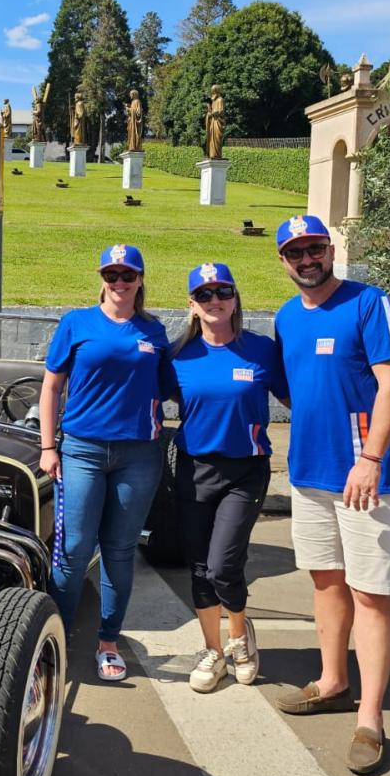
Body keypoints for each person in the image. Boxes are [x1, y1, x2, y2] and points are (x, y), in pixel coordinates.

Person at [273, 215, 390, 775]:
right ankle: (332, 681)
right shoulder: (286, 317)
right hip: (309, 474)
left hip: (365, 477)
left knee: (372, 594)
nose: (307, 259)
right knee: (326, 580)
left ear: (330, 250)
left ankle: (371, 718)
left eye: (314, 248)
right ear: (283, 262)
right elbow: (292, 389)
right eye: (295, 252)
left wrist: (371, 458)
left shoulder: (369, 302)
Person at [39, 245, 169, 680]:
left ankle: (108, 641)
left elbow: (175, 386)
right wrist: (48, 446)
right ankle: (51, 638)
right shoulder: (76, 323)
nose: (119, 282)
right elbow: (52, 387)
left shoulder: (155, 331)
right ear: (102, 278)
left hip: (139, 454)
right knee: (74, 549)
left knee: (119, 551)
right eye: (111, 274)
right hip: (82, 450)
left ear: (139, 279)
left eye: (127, 274)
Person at [168, 263, 288, 692]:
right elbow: (133, 394)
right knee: (199, 567)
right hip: (195, 469)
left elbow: (299, 397)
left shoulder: (260, 350)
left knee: (223, 565)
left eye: (222, 292)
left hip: (245, 471)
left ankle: (240, 636)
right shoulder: (177, 354)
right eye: (204, 295)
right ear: (192, 306)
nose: (214, 300)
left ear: (235, 298)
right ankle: (212, 650)